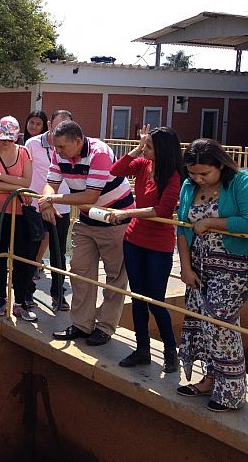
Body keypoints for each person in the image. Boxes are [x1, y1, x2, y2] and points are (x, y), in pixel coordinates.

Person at [39, 120, 133, 346]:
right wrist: (46, 202)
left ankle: (105, 326)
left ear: (78, 141)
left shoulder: (99, 153)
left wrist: (52, 199)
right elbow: (50, 183)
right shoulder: (59, 153)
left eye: (61, 147)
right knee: (80, 271)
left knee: (115, 277)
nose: (57, 151)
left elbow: (90, 196)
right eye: (56, 147)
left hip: (115, 219)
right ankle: (82, 324)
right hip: (87, 219)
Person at [175, 139, 248, 412]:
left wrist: (212, 223)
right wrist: (185, 267)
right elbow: (182, 228)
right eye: (192, 173)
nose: (197, 179)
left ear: (220, 165)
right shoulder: (189, 186)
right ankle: (210, 379)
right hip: (200, 265)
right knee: (201, 323)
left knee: (218, 321)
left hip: (235, 266)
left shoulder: (240, 182)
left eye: (204, 173)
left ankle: (231, 391)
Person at [107, 126, 183, 373]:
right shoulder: (142, 164)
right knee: (138, 297)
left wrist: (126, 213)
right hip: (134, 240)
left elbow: (163, 210)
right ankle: (142, 350)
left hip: (158, 246)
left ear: (162, 150)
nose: (145, 149)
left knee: (155, 300)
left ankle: (171, 351)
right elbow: (115, 170)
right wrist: (138, 148)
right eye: (145, 145)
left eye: (149, 146)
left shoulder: (173, 176)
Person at [0, 116, 39, 322]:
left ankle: (20, 302)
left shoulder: (24, 152)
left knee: (21, 258)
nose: (6, 141)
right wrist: (15, 183)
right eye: (3, 137)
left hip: (20, 213)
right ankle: (1, 298)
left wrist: (1, 176)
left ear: (16, 137)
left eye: (10, 138)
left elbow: (27, 182)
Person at [24, 110, 73, 311]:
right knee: (29, 250)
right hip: (35, 205)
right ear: (50, 124)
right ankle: (26, 293)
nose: (62, 130)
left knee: (59, 252)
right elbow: (25, 172)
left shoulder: (73, 147)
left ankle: (58, 294)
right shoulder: (33, 144)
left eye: (67, 126)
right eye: (59, 125)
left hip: (61, 207)